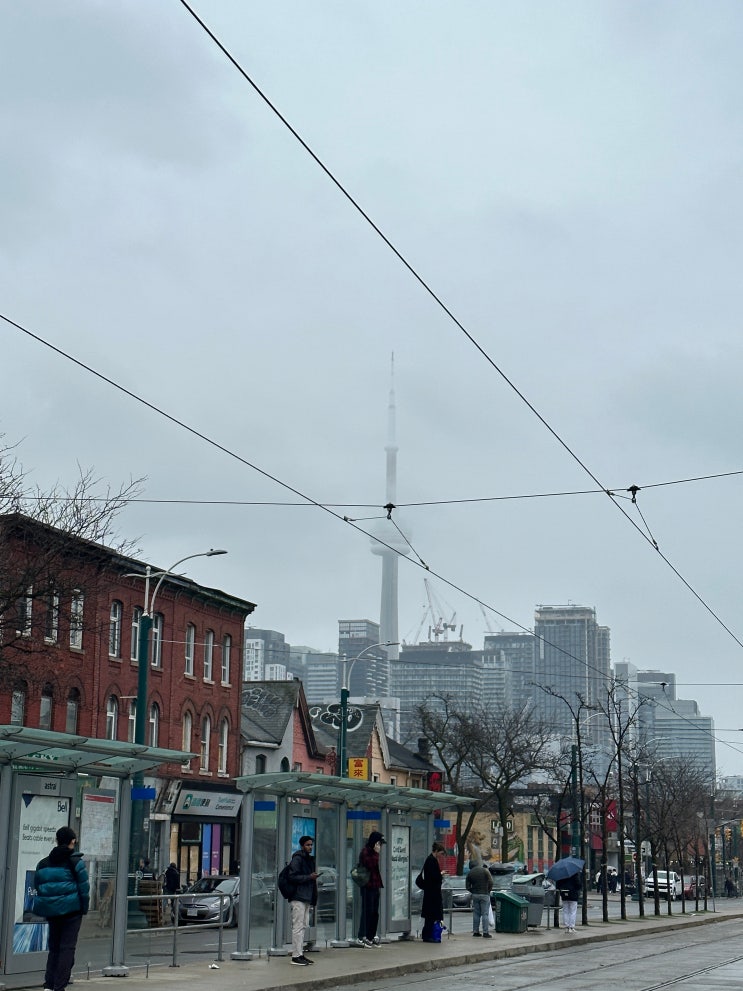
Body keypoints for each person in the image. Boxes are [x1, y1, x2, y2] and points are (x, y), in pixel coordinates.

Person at [34, 826, 90, 991]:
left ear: (57, 840)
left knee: (54, 948)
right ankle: (59, 986)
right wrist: (83, 908)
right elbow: (84, 889)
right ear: (72, 841)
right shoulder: (75, 862)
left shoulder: (43, 864)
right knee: (67, 948)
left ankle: (49, 985)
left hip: (52, 912)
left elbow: (39, 886)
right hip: (72, 912)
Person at [286, 835, 319, 967]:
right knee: (298, 926)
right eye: (308, 845)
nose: (310, 847)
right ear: (302, 845)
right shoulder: (297, 859)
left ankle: (300, 954)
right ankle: (295, 956)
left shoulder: (308, 859)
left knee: (304, 925)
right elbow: (292, 876)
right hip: (298, 896)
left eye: (311, 845)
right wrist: (309, 877)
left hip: (306, 896)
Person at [356, 831, 385, 947]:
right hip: (367, 886)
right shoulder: (366, 852)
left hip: (375, 885)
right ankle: (362, 936)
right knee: (367, 911)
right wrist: (376, 854)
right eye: (379, 843)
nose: (380, 846)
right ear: (375, 842)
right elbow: (370, 865)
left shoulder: (372, 852)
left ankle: (371, 936)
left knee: (374, 913)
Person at [419, 841, 446, 943]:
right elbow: (433, 876)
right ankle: (427, 935)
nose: (441, 855)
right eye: (441, 853)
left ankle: (428, 934)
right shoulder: (431, 860)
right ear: (436, 851)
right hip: (432, 893)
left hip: (431, 892)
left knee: (430, 916)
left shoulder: (431, 859)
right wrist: (440, 874)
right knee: (431, 915)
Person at [466, 859, 493, 938]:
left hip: (475, 894)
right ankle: (485, 932)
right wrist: (488, 890)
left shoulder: (470, 873)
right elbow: (491, 881)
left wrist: (472, 891)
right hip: (484, 894)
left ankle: (476, 931)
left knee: (476, 913)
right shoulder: (485, 870)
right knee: (485, 913)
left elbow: (467, 886)